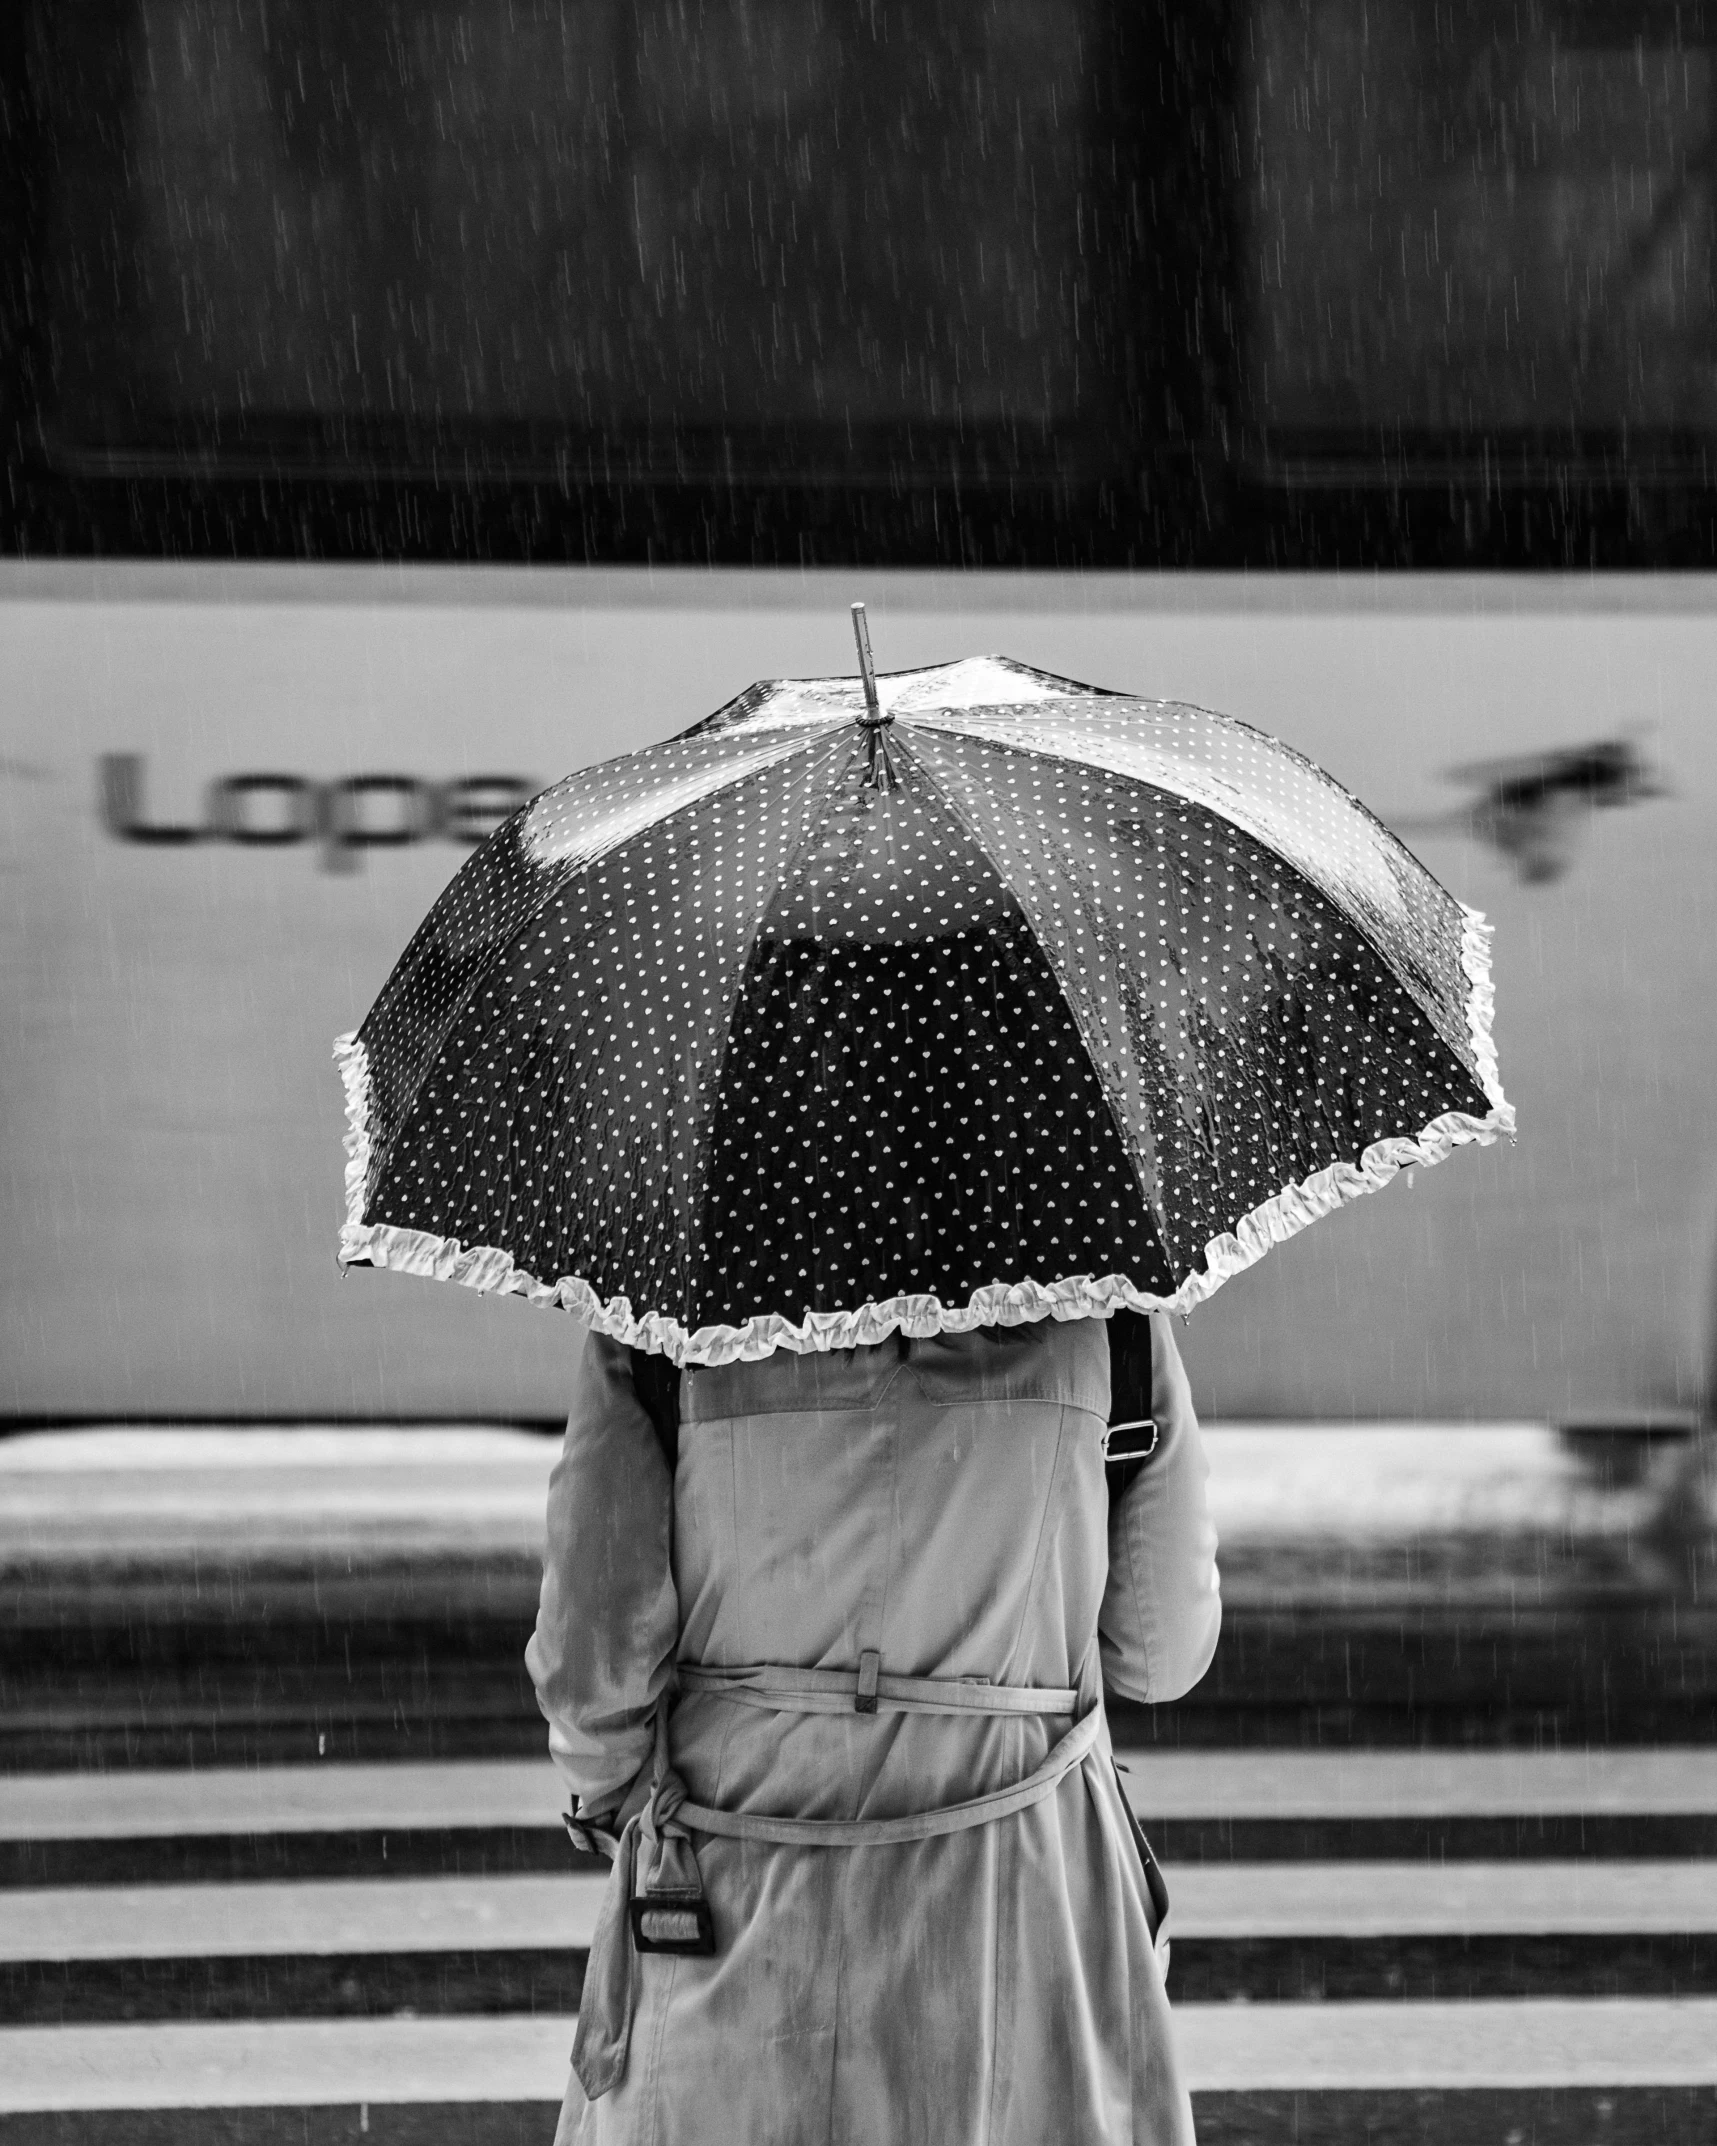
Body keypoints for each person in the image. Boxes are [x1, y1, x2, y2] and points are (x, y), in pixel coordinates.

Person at [528, 1307, 1222, 2146]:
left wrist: (612, 1795)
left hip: (738, 1872)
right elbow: (1158, 1652)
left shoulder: (659, 1316)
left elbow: (594, 1655)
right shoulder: (1105, 1315)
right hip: (1021, 1898)